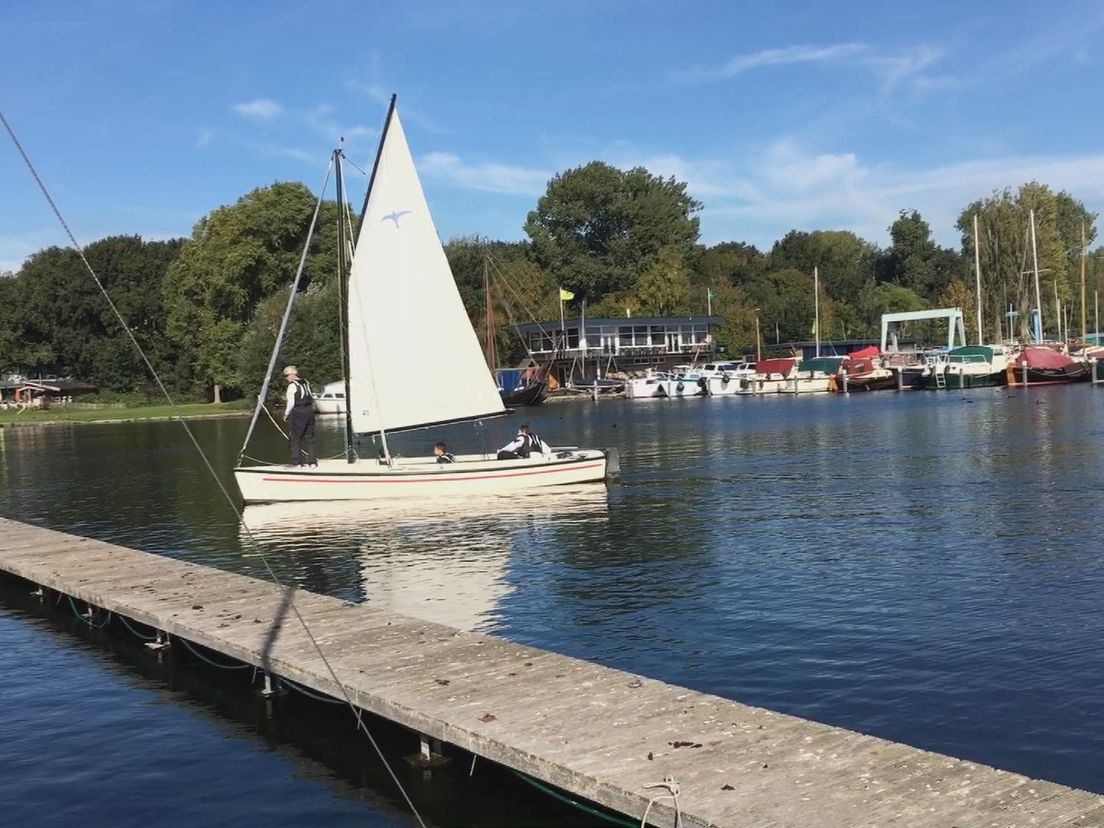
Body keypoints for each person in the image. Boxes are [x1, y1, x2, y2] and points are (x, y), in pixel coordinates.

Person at [282, 365, 316, 466]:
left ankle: (296, 462)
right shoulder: (306, 382)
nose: (286, 378)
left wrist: (286, 414)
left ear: (292, 374)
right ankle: (312, 462)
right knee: (310, 438)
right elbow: (311, 396)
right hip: (309, 411)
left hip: (298, 412)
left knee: (295, 438)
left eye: (286, 375)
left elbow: (291, 403)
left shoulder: (292, 386)